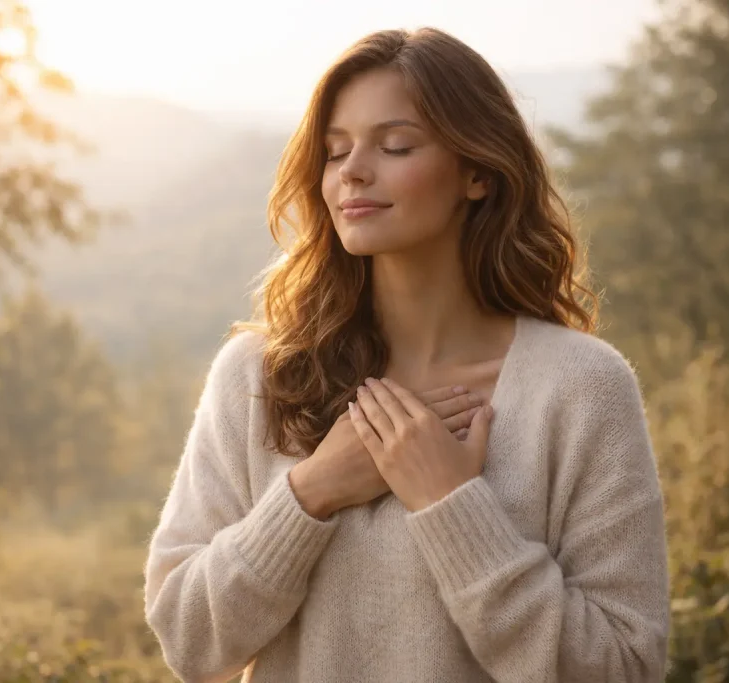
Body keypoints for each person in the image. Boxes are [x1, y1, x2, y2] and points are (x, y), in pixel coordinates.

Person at [144, 26, 670, 683]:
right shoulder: (259, 375)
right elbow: (188, 639)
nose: (354, 171)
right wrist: (312, 491)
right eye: (335, 152)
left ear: (477, 172)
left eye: (396, 145)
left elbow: (624, 668)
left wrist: (452, 506)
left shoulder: (583, 388)